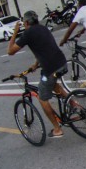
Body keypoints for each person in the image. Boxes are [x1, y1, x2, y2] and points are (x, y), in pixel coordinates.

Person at [7, 10, 69, 139]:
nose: (23, 24)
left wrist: (14, 32)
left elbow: (10, 51)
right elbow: (44, 48)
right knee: (54, 85)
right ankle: (73, 103)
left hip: (50, 69)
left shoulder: (27, 33)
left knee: (42, 97)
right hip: (62, 63)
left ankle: (57, 129)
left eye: (24, 22)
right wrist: (35, 64)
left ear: (26, 22)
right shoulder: (42, 28)